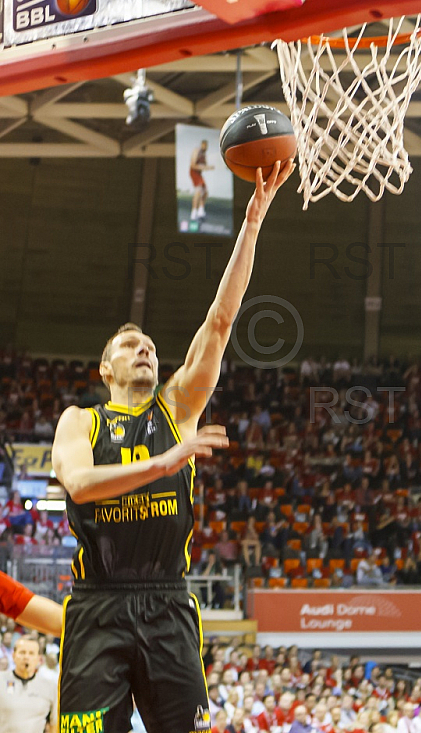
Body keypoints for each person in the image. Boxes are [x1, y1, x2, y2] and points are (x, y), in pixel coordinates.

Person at [51, 161, 294, 733]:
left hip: (167, 602)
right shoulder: (79, 420)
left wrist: (253, 222)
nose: (144, 350)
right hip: (96, 604)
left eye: (150, 346)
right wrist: (165, 462)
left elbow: (221, 320)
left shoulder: (177, 408)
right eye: (130, 345)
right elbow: (81, 486)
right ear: (105, 367)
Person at [0, 635, 57, 733]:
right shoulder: (1, 679)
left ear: (39, 659)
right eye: (22, 652)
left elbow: (54, 725)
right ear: (13, 656)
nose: (26, 657)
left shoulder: (50, 687)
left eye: (31, 653)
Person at [190, 139, 215, 221]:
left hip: (199, 174)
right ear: (202, 145)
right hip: (194, 172)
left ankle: (201, 210)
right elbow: (193, 165)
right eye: (204, 145)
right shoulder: (196, 151)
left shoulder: (204, 155)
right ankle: (194, 213)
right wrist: (203, 167)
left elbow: (205, 166)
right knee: (198, 190)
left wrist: (209, 167)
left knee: (205, 192)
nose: (205, 147)